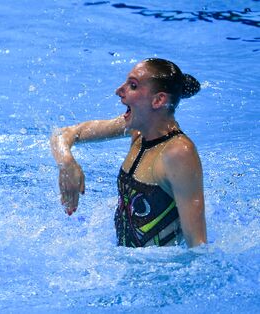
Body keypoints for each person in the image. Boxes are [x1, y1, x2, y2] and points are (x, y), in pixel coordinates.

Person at [50, 58, 206, 248]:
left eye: (132, 86)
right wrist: (66, 163)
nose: (119, 91)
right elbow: (63, 134)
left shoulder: (178, 153)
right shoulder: (137, 130)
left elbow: (198, 247)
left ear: (158, 100)